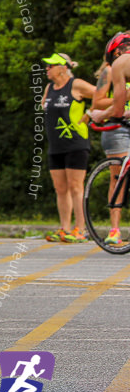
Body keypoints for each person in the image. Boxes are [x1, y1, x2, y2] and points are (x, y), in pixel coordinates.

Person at [39, 53, 94, 243]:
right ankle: (65, 227)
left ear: (63, 67)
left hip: (76, 143)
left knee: (75, 187)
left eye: (51, 66)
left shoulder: (76, 84)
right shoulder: (49, 87)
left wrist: (90, 113)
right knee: (60, 188)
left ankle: (81, 228)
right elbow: (44, 105)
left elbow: (102, 95)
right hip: (56, 145)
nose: (47, 69)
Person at [88, 32, 130, 246]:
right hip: (119, 128)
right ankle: (115, 229)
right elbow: (97, 101)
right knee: (118, 177)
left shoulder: (121, 63)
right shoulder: (109, 70)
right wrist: (121, 98)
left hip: (124, 117)